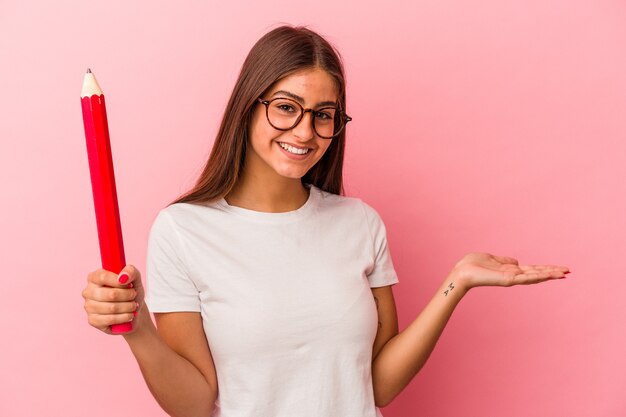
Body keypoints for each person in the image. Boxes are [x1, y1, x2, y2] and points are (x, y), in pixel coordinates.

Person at [81, 25, 570, 417]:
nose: (305, 131)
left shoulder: (360, 223)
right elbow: (193, 405)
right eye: (286, 108)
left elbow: (378, 386)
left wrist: (456, 282)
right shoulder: (183, 230)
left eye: (324, 115)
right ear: (247, 107)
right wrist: (138, 326)